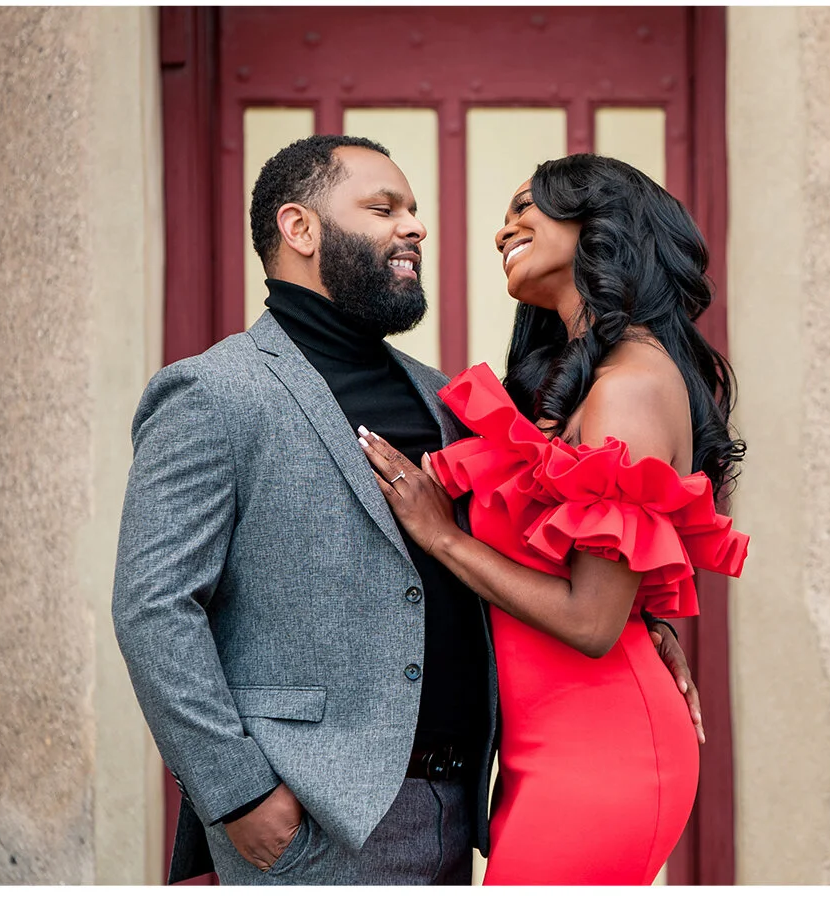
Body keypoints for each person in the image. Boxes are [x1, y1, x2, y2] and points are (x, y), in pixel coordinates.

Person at [111, 135, 701, 886]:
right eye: (384, 208)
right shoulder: (213, 393)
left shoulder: (446, 400)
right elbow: (153, 607)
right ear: (300, 228)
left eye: (414, 210)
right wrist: (237, 792)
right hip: (310, 822)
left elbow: (552, 550)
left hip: (460, 809)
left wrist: (643, 624)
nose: (416, 227)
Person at [357, 153, 748, 885]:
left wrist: (441, 536)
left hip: (600, 757)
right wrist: (649, 623)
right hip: (548, 755)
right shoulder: (587, 381)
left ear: (598, 222)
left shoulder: (629, 386)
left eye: (525, 207)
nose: (503, 230)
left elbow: (591, 622)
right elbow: (591, 575)